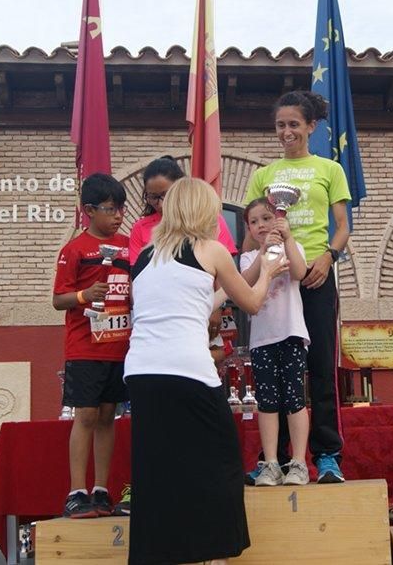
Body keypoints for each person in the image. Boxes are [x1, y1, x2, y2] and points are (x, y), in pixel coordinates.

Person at [124, 177, 288, 565]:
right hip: (187, 369)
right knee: (222, 460)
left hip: (143, 372)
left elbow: (205, 298)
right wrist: (267, 270)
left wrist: (252, 274)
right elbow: (250, 302)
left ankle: (163, 554)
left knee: (158, 468)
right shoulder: (211, 249)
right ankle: (214, 553)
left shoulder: (147, 255)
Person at [243, 90, 351, 484]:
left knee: (320, 366)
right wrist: (248, 274)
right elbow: (252, 228)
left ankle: (325, 455)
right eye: (280, 125)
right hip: (275, 282)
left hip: (315, 277)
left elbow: (342, 227)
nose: (286, 131)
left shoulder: (330, 169)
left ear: (311, 127)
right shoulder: (263, 175)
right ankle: (275, 458)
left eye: (293, 124)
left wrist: (327, 258)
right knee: (273, 370)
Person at [52, 173, 130, 518]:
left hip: (119, 346)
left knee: (107, 415)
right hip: (85, 347)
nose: (118, 216)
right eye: (111, 209)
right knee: (84, 414)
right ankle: (76, 491)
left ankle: (101, 488)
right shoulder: (74, 250)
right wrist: (85, 295)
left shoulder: (129, 246)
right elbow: (58, 299)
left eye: (121, 209)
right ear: (88, 210)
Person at [240, 198, 311, 486]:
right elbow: (245, 281)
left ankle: (299, 462)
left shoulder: (291, 247)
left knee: (295, 400)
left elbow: (299, 272)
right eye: (254, 222)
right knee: (267, 402)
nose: (261, 226)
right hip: (262, 339)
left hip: (291, 333)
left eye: (266, 219)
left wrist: (289, 238)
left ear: (278, 219)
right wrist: (261, 251)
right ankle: (270, 463)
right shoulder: (248, 256)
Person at [128, 155, 237, 265]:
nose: (161, 204)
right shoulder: (140, 227)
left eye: (167, 195)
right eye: (153, 197)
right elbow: (136, 273)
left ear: (181, 189)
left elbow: (227, 267)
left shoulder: (210, 219)